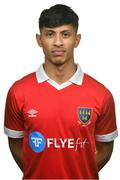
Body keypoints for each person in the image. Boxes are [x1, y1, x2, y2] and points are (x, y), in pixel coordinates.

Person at [4, 4, 118, 179]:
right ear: (39, 39)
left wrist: (79, 171)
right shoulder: (18, 92)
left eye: (65, 34)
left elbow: (105, 148)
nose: (58, 42)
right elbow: (16, 143)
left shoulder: (101, 95)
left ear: (77, 39)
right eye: (50, 34)